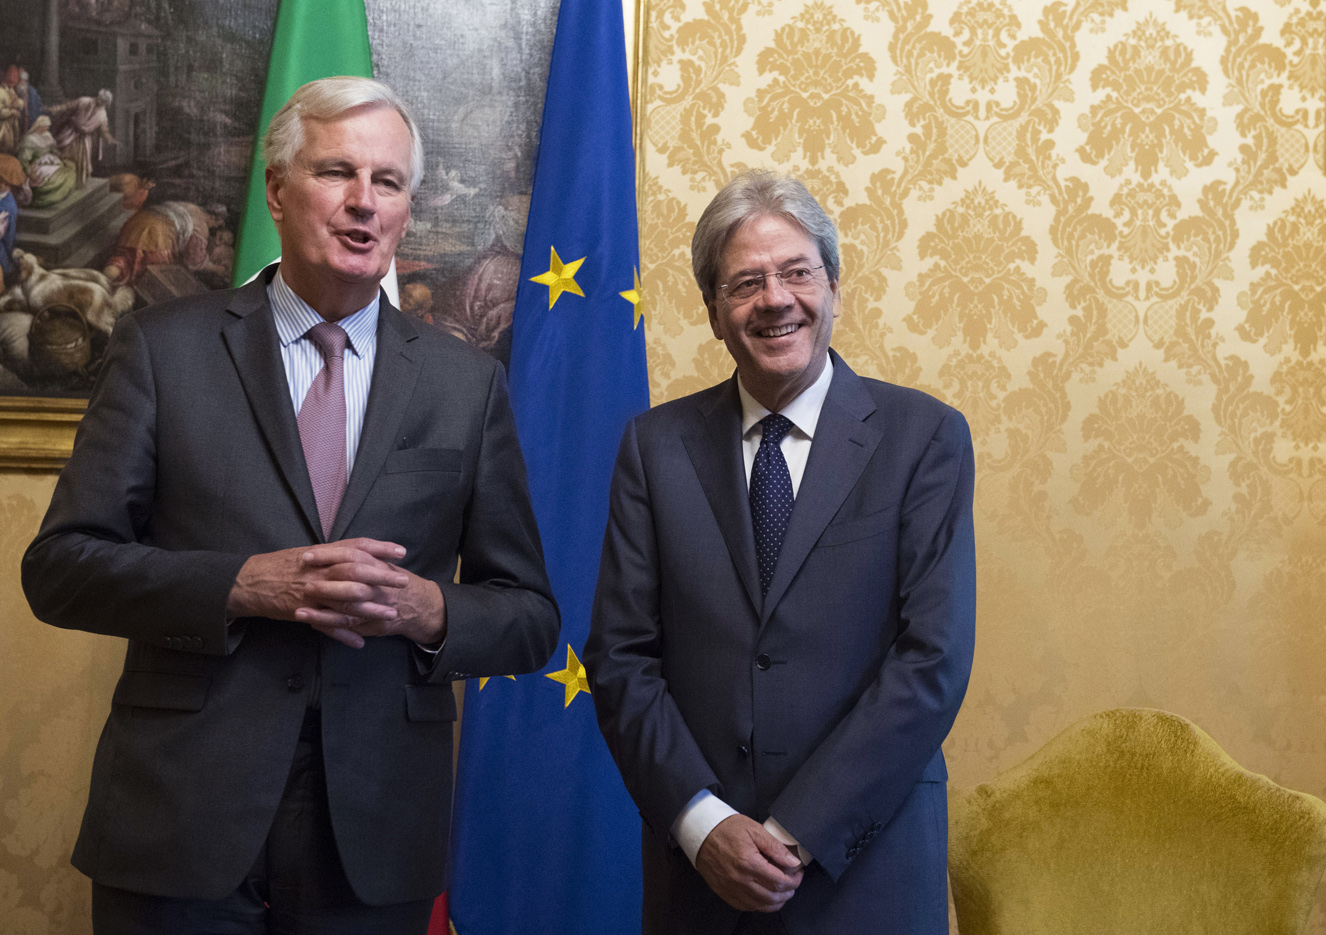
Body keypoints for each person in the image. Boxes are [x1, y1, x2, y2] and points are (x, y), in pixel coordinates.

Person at [23, 76, 559, 933]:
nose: (363, 203)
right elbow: (59, 570)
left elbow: (529, 616)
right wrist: (241, 585)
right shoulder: (166, 350)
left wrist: (428, 608)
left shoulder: (467, 385)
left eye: (387, 183)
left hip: (375, 826)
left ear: (407, 211)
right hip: (179, 818)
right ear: (276, 190)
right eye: (336, 172)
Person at [585, 170, 976, 934]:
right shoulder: (653, 448)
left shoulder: (923, 437)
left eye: (797, 271)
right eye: (745, 282)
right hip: (700, 877)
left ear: (833, 286)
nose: (776, 298)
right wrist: (702, 823)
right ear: (713, 313)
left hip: (867, 869)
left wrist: (795, 833)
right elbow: (621, 657)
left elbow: (932, 660)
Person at [49, 88, 115, 186]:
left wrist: (109, 137)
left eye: (103, 101)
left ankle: (76, 183)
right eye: (100, 99)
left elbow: (104, 129)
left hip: (83, 140)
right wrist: (56, 108)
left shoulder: (102, 114)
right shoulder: (84, 100)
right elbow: (68, 105)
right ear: (98, 97)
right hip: (70, 133)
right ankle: (61, 182)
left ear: (106, 103)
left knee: (79, 162)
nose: (100, 102)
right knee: (64, 155)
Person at [17, 115, 76, 208]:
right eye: (45, 125)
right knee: (55, 176)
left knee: (69, 170)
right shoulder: (29, 139)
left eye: (48, 126)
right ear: (39, 125)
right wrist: (30, 173)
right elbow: (23, 160)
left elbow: (54, 150)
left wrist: (61, 156)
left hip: (50, 161)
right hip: (36, 165)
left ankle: (58, 196)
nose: (47, 128)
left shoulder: (47, 136)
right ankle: (43, 198)